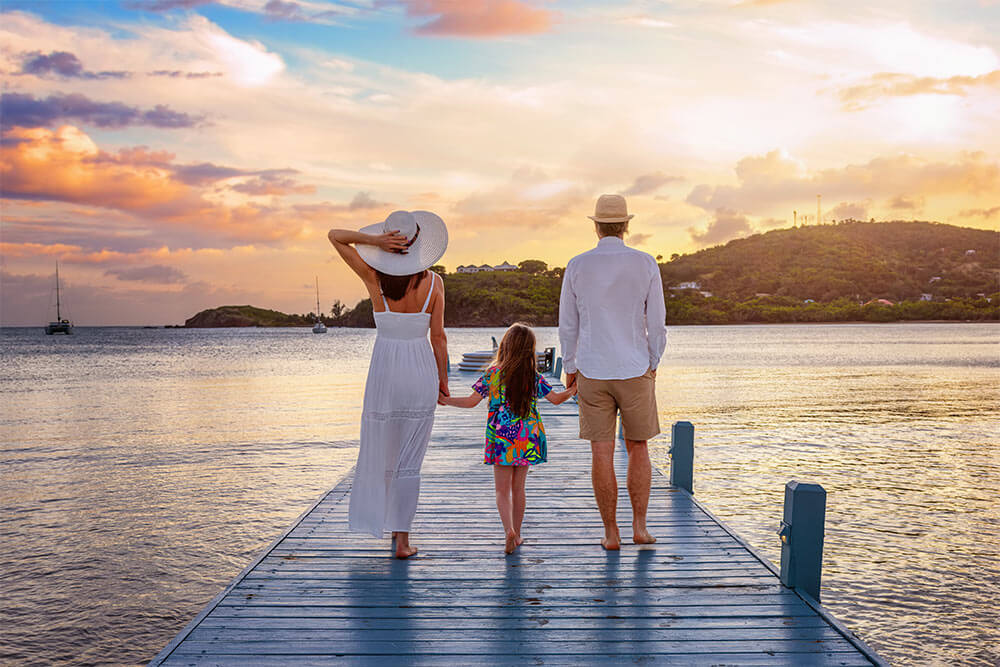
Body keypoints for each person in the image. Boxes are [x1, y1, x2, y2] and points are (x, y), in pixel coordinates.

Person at [328, 210, 449, 559]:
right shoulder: (435, 284)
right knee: (410, 460)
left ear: (390, 246)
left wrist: (373, 241)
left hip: (385, 368)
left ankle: (383, 525)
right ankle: (402, 539)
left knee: (384, 450)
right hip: (420, 368)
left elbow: (336, 235)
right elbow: (438, 338)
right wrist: (442, 381)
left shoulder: (374, 277)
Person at [558, 194, 667, 551]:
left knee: (601, 453)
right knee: (638, 449)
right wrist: (653, 362)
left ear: (596, 225)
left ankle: (611, 534)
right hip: (635, 367)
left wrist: (571, 368)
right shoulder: (645, 263)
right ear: (626, 225)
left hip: (591, 367)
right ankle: (639, 527)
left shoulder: (577, 265)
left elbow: (568, 325)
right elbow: (657, 322)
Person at [440, 323, 577, 554]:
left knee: (501, 491)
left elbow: (471, 401)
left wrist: (446, 400)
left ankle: (508, 531)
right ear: (529, 350)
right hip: (527, 439)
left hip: (501, 439)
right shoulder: (532, 376)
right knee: (519, 489)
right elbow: (555, 399)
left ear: (505, 346)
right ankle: (519, 534)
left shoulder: (492, 374)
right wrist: (574, 389)